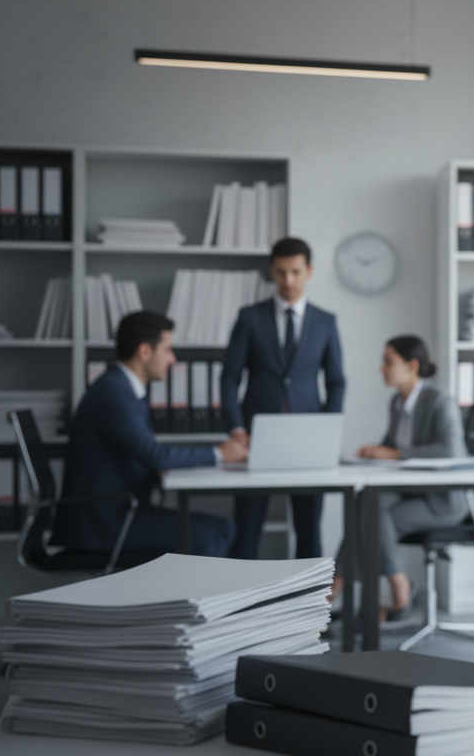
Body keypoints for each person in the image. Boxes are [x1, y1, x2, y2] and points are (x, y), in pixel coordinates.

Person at [54, 311, 247, 557]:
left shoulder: (123, 388)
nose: (172, 359)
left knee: (219, 529)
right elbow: (155, 455)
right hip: (104, 525)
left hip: (114, 515)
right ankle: (192, 596)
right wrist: (219, 453)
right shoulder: (113, 394)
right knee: (217, 532)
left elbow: (145, 452)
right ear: (145, 352)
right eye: (167, 350)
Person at [220, 237, 346, 559]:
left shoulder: (326, 321)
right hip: (255, 436)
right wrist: (235, 427)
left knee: (309, 533)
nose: (288, 281)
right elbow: (230, 377)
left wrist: (327, 429)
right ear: (271, 272)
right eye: (280, 273)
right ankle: (240, 607)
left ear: (309, 271)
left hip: (308, 440)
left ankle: (308, 608)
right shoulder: (249, 317)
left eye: (295, 272)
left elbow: (335, 381)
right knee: (247, 529)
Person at [330, 335, 471, 618]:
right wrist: (373, 451)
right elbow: (391, 446)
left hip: (443, 501)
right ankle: (371, 591)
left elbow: (448, 450)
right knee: (364, 507)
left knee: (371, 515)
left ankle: (371, 586)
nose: (382, 368)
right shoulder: (398, 402)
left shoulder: (439, 401)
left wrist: (393, 454)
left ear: (412, 366)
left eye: (388, 361)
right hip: (412, 493)